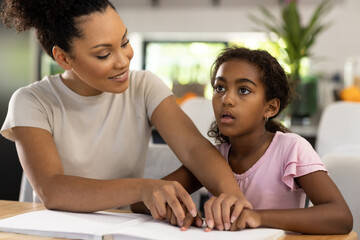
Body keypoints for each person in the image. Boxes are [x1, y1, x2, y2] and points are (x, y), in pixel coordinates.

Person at [0, 0, 251, 227]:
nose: (123, 61)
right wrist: (144, 188)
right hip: (58, 231)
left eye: (124, 42)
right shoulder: (32, 101)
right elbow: (52, 190)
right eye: (104, 54)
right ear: (63, 58)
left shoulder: (144, 86)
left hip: (123, 229)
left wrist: (233, 199)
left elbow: (195, 149)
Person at [142, 47, 353, 234]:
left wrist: (258, 217)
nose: (227, 99)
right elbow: (140, 202)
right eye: (219, 88)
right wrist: (175, 209)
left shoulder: (291, 149)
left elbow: (341, 217)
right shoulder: (212, 158)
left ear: (270, 107)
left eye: (243, 90)